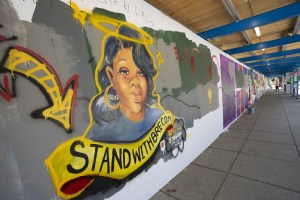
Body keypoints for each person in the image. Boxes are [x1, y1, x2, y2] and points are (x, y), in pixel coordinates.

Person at [87, 25, 164, 142]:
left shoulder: (159, 118)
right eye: (124, 71)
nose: (135, 81)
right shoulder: (99, 135)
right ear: (111, 76)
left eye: (141, 72)